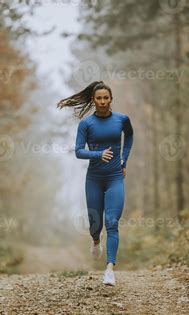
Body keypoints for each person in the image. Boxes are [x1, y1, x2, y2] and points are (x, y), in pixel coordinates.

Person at [57, 81, 134, 286]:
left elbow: (130, 135)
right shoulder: (86, 124)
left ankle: (110, 269)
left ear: (111, 99)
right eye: (98, 98)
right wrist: (99, 153)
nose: (102, 102)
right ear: (93, 100)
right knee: (95, 224)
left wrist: (124, 159)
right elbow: (79, 151)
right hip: (94, 179)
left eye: (105, 98)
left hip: (115, 177)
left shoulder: (121, 119)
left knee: (112, 222)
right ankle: (95, 240)